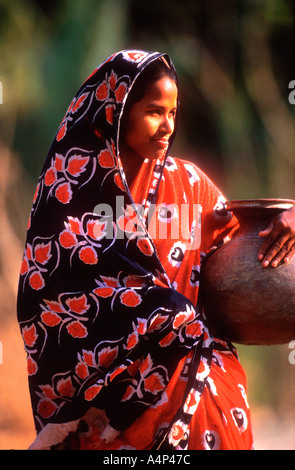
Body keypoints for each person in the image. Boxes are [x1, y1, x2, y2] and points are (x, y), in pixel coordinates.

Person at [17, 49, 295, 450]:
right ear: (116, 112)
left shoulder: (190, 187)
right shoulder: (70, 199)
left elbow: (247, 256)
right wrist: (164, 313)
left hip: (202, 400)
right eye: (154, 111)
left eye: (173, 112)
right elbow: (50, 307)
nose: (168, 126)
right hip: (109, 417)